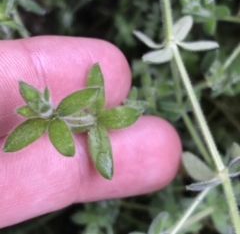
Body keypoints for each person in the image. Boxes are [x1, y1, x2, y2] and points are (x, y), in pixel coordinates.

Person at [0, 36, 182, 228]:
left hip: (82, 117)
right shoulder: (44, 118)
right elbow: (64, 144)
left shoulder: (81, 115)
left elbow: (93, 94)